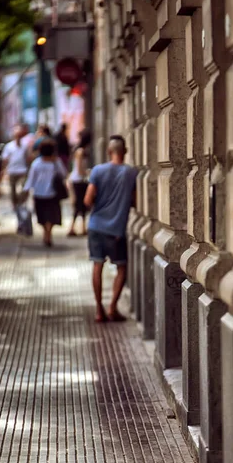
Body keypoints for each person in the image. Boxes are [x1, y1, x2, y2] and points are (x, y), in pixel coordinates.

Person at [84, 135, 138, 323]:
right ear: (125, 151)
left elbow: (87, 200)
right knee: (122, 267)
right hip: (116, 230)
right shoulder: (131, 173)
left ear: (109, 151)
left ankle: (99, 309)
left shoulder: (98, 170)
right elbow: (135, 201)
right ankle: (112, 307)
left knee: (97, 265)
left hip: (96, 227)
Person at [23, 139, 67, 247]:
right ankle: (48, 233)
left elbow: (31, 179)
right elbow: (64, 174)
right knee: (51, 216)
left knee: (42, 215)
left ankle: (46, 234)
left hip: (39, 194)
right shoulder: (56, 162)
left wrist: (26, 191)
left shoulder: (36, 164)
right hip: (53, 194)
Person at [1, 125, 31, 209]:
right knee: (13, 191)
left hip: (22, 170)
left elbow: (27, 158)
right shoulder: (9, 146)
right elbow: (5, 159)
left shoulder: (25, 146)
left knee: (24, 189)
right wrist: (4, 171)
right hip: (12, 170)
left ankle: (20, 202)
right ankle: (15, 205)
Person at [68, 129, 91, 237]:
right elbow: (80, 168)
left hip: (78, 179)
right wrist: (87, 173)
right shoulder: (80, 151)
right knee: (79, 205)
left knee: (81, 205)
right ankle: (74, 227)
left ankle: (81, 227)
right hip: (79, 180)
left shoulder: (78, 150)